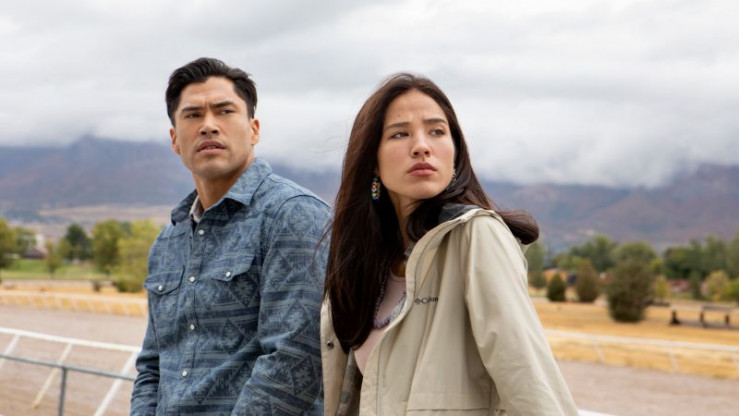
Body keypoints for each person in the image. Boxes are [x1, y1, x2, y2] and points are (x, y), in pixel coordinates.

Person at [321, 74, 578, 415]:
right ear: (372, 161)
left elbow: (527, 376)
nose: (421, 146)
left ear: (455, 153)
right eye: (400, 134)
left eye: (437, 132)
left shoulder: (477, 236)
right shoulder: (360, 263)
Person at [131, 58, 330, 415]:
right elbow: (152, 365)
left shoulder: (293, 215)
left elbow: (295, 359)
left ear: (254, 130)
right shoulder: (168, 242)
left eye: (224, 111)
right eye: (193, 115)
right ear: (175, 140)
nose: (208, 125)